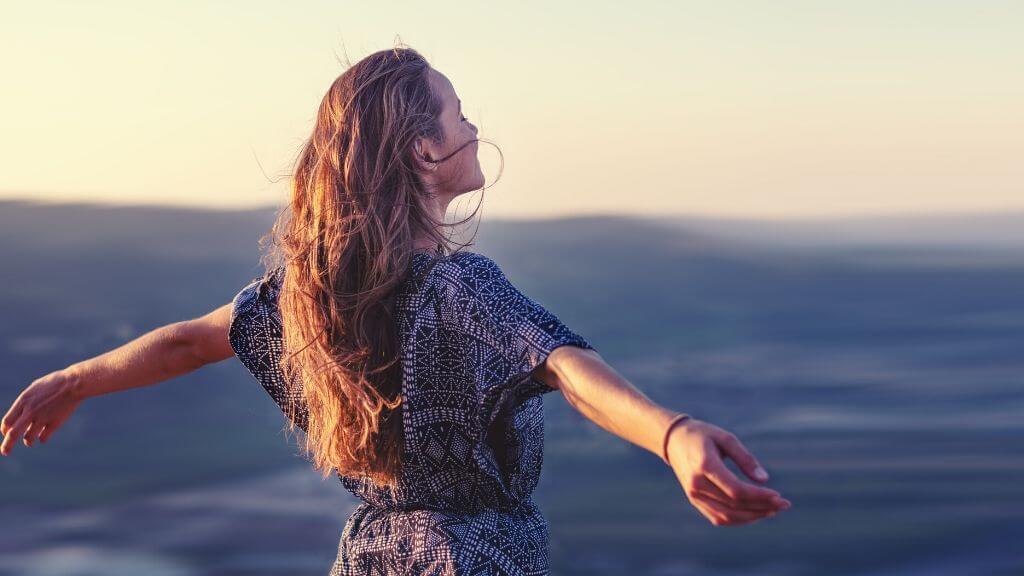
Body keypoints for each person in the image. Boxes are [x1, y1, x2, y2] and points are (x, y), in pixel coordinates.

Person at [1, 44, 791, 574]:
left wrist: (75, 379)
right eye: (458, 112)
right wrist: (675, 435)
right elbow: (566, 367)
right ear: (423, 149)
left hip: (372, 558)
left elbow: (183, 344)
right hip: (476, 557)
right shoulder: (462, 287)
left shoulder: (300, 299)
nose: (474, 125)